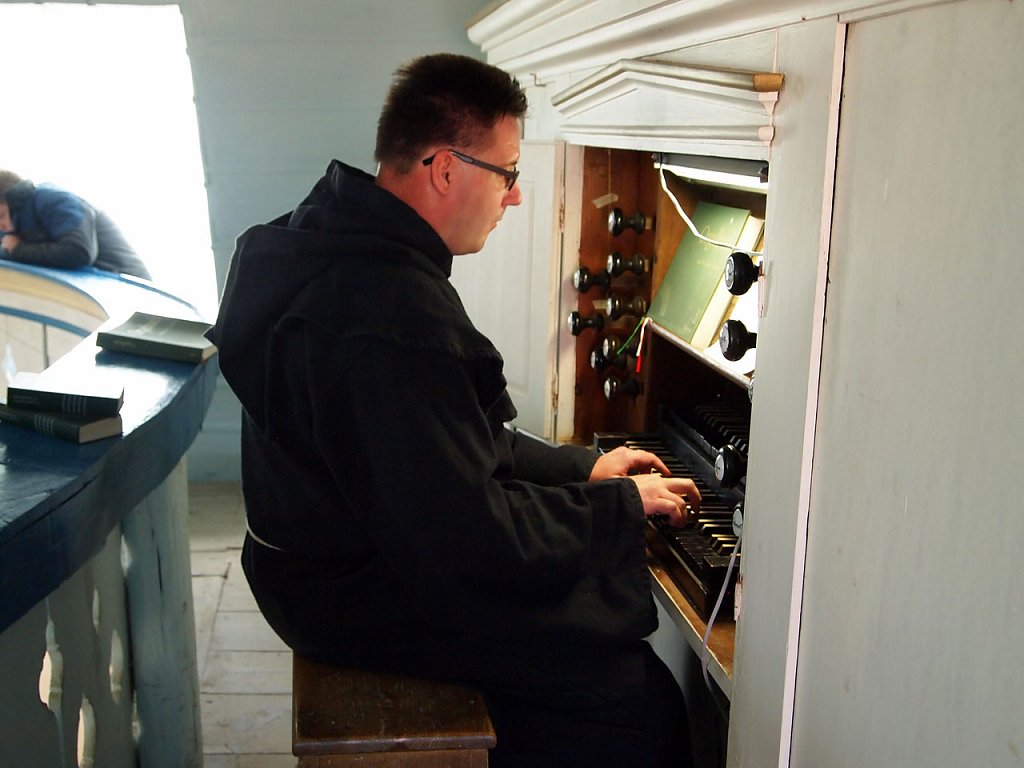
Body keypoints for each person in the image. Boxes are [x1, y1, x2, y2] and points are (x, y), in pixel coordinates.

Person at [208, 52, 700, 768]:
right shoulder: (391, 311)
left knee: (594, 625)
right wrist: (620, 509)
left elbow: (449, 442)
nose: (516, 197)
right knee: (634, 700)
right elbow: (472, 541)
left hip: (308, 562)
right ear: (445, 169)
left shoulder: (327, 235)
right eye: (507, 173)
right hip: (347, 591)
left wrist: (584, 470)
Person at [0, 170, 151, 280]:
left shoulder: (54, 201)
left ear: (15, 200)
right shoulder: (12, 226)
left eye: (1, 216)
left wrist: (18, 249)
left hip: (124, 284)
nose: (1, 226)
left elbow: (78, 252)